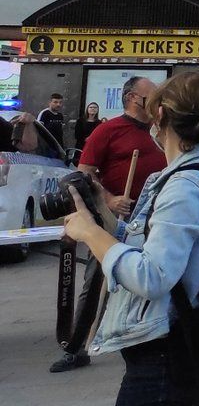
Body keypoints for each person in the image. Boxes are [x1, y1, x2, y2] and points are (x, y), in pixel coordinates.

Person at [62, 71, 199, 406]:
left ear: (159, 115)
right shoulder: (187, 175)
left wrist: (90, 235)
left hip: (166, 359)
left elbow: (154, 275)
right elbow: (147, 247)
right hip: (159, 355)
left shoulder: (186, 185)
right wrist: (98, 216)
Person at [52, 77, 170, 374]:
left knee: (151, 277)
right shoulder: (108, 130)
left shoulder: (159, 133)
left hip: (154, 217)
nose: (156, 101)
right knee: (96, 281)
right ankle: (75, 347)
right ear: (132, 97)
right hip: (115, 219)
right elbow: (84, 174)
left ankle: (145, 335)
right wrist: (110, 198)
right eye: (150, 95)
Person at [36, 92, 67, 159]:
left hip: (57, 147)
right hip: (46, 147)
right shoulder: (44, 113)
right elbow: (38, 130)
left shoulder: (60, 116)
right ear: (50, 103)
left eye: (60, 102)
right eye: (55, 102)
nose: (58, 104)